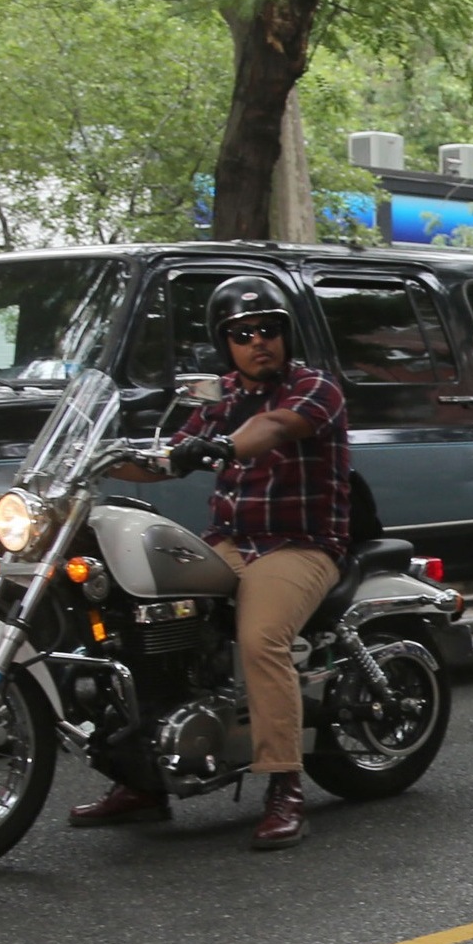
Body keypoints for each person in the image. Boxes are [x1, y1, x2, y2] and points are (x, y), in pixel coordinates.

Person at [70, 275, 352, 851]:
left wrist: (222, 447)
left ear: (286, 335)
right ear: (226, 344)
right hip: (228, 540)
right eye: (243, 333)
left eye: (269, 329)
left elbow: (271, 428)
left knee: (260, 639)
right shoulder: (219, 395)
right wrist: (95, 459)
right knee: (140, 619)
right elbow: (170, 459)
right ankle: (143, 780)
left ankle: (283, 785)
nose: (258, 342)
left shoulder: (315, 386)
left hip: (299, 544)